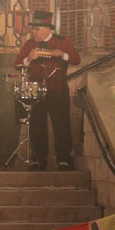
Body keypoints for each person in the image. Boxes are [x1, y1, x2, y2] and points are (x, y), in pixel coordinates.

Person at [14, 10, 81, 171]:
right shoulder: (30, 44)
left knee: (61, 124)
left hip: (57, 90)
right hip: (36, 91)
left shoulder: (62, 41)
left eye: (37, 29)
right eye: (33, 29)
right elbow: (17, 64)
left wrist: (63, 55)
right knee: (37, 125)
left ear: (47, 30)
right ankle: (38, 159)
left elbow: (76, 59)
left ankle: (64, 159)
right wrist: (28, 59)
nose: (34, 32)